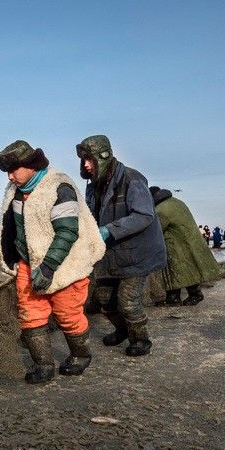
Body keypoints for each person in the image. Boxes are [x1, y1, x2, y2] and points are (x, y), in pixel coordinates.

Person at [0, 141, 105, 383]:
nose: (10, 177)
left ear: (31, 165)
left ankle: (81, 355)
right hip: (28, 262)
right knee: (30, 314)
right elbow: (10, 228)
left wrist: (48, 266)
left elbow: (67, 231)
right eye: (7, 172)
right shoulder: (15, 190)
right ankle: (43, 365)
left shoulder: (59, 187)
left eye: (14, 170)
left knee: (68, 314)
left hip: (65, 265)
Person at [77, 135, 166, 357]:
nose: (86, 165)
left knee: (127, 301)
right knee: (105, 298)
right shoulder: (93, 186)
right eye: (83, 160)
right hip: (109, 254)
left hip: (136, 254)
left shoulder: (132, 179)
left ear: (103, 156)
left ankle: (141, 339)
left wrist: (109, 230)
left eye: (89, 159)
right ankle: (123, 330)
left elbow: (144, 215)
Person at [149, 187, 222, 306]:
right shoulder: (176, 202)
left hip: (176, 244)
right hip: (188, 241)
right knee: (187, 269)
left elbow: (155, 230)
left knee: (173, 270)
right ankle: (193, 294)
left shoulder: (161, 210)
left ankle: (174, 299)